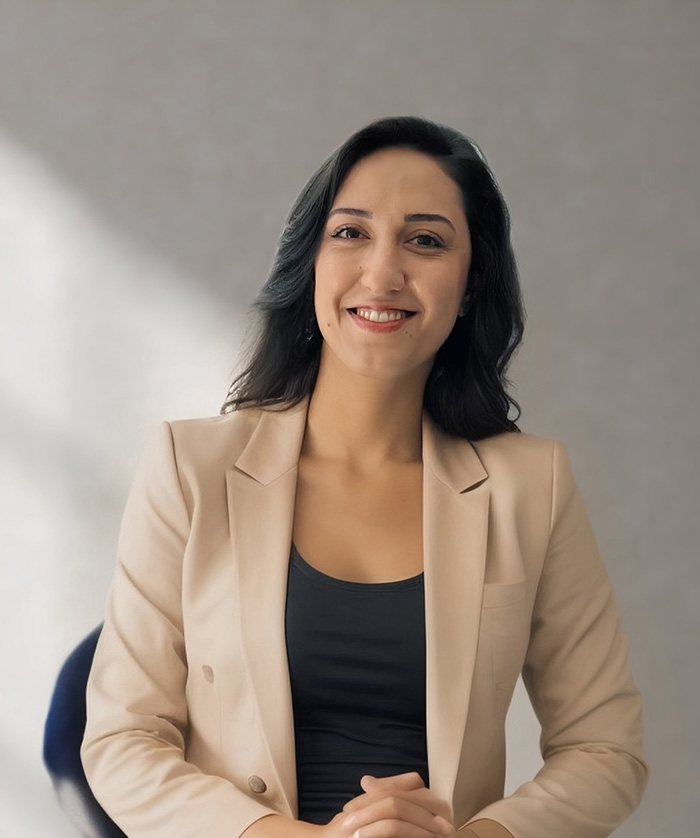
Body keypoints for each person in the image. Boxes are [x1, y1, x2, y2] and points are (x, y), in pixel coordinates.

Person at [81, 116, 648, 838]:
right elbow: (121, 742)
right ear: (310, 262)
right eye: (350, 233)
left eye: (426, 240)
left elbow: (606, 749)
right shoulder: (191, 470)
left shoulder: (531, 485)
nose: (382, 274)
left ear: (471, 286)